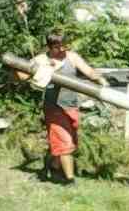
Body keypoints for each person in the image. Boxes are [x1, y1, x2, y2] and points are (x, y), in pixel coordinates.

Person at [14, 31, 108, 185]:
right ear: (51, 47)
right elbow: (21, 76)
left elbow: (89, 71)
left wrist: (102, 81)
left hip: (71, 105)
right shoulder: (41, 59)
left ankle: (51, 169)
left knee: (68, 141)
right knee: (64, 142)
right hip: (54, 107)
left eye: (65, 46)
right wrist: (16, 68)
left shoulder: (72, 57)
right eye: (59, 47)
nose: (63, 50)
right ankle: (69, 180)